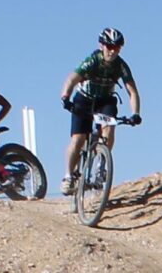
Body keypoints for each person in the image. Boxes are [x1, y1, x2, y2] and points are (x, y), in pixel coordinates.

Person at [61, 28, 142, 193]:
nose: (112, 51)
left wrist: (136, 113)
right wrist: (65, 97)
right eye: (109, 46)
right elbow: (72, 78)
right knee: (78, 140)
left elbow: (132, 91)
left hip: (105, 100)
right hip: (84, 99)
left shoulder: (121, 65)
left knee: (109, 129)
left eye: (117, 47)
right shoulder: (93, 61)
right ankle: (69, 176)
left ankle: (101, 166)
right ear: (101, 45)